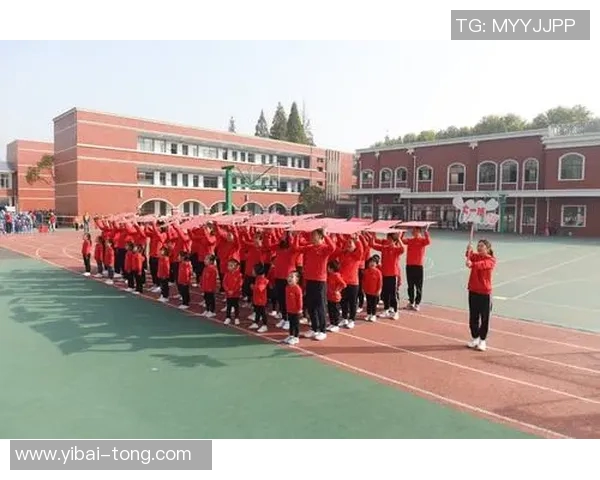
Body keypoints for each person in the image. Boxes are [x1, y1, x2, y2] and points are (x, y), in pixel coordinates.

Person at [293, 228, 336, 341]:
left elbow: (333, 248)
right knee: (311, 305)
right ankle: (314, 328)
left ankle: (322, 330)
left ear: (320, 237)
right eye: (312, 235)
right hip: (309, 280)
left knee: (320, 306)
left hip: (320, 281)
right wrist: (296, 235)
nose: (312, 237)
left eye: (314, 235)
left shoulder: (325, 248)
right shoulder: (309, 247)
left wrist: (326, 235)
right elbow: (296, 248)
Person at [465, 239, 497, 352]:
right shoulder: (476, 256)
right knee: (473, 317)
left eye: (482, 246)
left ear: (487, 248)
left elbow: (483, 265)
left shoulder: (491, 260)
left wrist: (472, 264)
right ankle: (475, 337)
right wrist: (468, 250)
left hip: (484, 293)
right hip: (473, 290)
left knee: (484, 318)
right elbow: (469, 256)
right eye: (478, 246)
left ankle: (483, 340)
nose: (479, 248)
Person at [369, 231, 404, 320]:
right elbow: (372, 244)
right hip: (384, 274)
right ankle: (386, 309)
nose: (388, 240)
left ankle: (395, 312)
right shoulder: (384, 248)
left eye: (390, 239)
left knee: (393, 294)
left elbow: (403, 249)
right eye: (387, 238)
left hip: (393, 275)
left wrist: (399, 238)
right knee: (385, 294)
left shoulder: (396, 249)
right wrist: (372, 234)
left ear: (393, 240)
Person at [401, 227, 431, 311]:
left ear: (419, 231)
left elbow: (428, 241)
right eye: (412, 231)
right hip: (409, 266)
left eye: (415, 231)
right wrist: (403, 231)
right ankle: (411, 302)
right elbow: (401, 240)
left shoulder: (422, 241)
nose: (413, 232)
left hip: (418, 266)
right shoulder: (410, 240)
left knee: (418, 286)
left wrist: (426, 232)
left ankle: (417, 303)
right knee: (410, 286)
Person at [338, 235, 364, 329]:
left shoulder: (357, 256)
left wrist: (358, 240)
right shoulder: (343, 254)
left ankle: (351, 320)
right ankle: (344, 318)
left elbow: (361, 250)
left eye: (350, 243)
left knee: (352, 302)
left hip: (353, 283)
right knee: (343, 301)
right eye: (347, 243)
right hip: (343, 282)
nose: (348, 245)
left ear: (354, 245)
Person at [326, 260, 346, 333]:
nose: (327, 269)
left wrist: (337, 290)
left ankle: (336, 325)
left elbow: (343, 284)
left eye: (328, 267)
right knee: (330, 311)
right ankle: (332, 323)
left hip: (335, 297)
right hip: (329, 296)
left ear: (332, 268)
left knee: (335, 311)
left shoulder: (336, 275)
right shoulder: (330, 275)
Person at [283, 271, 303, 345]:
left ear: (297, 279)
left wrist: (300, 309)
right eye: (288, 276)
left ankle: (296, 337)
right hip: (289, 310)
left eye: (292, 277)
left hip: (296, 311)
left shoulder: (297, 289)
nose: (289, 278)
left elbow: (299, 300)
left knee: (296, 324)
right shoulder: (287, 287)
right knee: (291, 323)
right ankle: (291, 335)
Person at [249, 263, 270, 333]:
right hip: (257, 299)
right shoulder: (257, 278)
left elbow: (260, 288)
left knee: (262, 312)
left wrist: (253, 287)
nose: (252, 271)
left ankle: (265, 325)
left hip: (261, 300)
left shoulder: (262, 280)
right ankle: (256, 322)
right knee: (257, 312)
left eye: (253, 270)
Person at [222, 258, 243, 325]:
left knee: (236, 306)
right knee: (229, 306)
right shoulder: (227, 274)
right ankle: (228, 317)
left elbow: (239, 284)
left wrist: (233, 291)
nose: (229, 267)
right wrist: (228, 290)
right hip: (228, 294)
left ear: (236, 266)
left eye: (231, 265)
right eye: (228, 265)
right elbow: (224, 283)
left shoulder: (239, 275)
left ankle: (236, 318)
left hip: (235, 294)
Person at [362, 255, 383, 322]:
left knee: (373, 304)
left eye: (374, 262)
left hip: (375, 291)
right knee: (368, 303)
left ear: (376, 264)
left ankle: (373, 315)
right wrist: (363, 289)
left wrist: (379, 290)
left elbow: (380, 282)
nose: (372, 263)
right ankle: (368, 314)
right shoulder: (366, 272)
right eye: (370, 262)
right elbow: (363, 281)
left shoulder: (378, 272)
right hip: (367, 291)